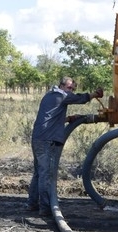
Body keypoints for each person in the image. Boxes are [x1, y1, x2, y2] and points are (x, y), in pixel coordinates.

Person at [28, 77, 103, 216]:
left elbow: (50, 117)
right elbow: (81, 99)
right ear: (61, 85)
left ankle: (32, 204)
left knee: (39, 173)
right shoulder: (60, 95)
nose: (71, 91)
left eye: (73, 89)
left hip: (38, 138)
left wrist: (69, 119)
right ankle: (45, 208)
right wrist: (95, 94)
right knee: (46, 174)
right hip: (46, 140)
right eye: (69, 88)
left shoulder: (50, 95)